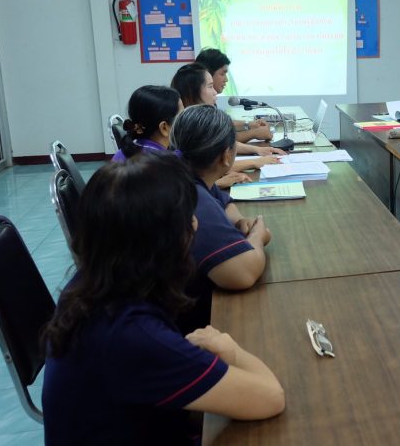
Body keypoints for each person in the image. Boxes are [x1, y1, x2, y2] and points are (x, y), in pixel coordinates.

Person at [41, 153, 285, 445]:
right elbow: (271, 396)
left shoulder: (91, 284)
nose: (195, 225)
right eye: (187, 219)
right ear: (163, 240)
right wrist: (229, 349)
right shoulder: (132, 335)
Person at [171, 105, 273, 331]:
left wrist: (238, 221)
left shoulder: (183, 171)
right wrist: (258, 235)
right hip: (180, 325)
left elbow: (223, 201)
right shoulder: (194, 200)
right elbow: (243, 274)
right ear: (227, 156)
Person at [171, 63, 282, 180]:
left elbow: (221, 143)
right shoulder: (187, 126)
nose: (215, 92)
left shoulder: (198, 119)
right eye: (210, 87)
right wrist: (255, 162)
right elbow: (209, 168)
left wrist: (258, 150)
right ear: (192, 92)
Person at [195, 48, 273, 143]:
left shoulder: (207, 101)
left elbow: (222, 125)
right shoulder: (196, 107)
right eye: (222, 74)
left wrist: (250, 124)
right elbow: (218, 140)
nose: (226, 79)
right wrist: (254, 133)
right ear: (208, 74)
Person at [112, 85, 182, 162]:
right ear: (164, 128)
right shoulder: (168, 162)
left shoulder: (122, 153)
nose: (186, 120)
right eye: (183, 116)